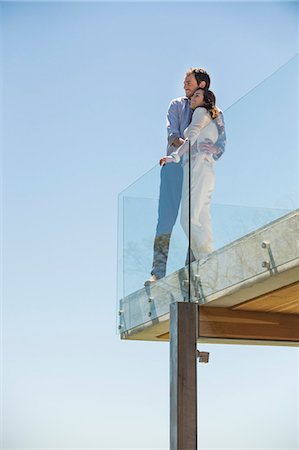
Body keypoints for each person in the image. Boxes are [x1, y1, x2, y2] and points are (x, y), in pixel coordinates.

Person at [146, 68, 226, 284]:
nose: (184, 85)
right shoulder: (177, 105)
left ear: (201, 85)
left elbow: (222, 144)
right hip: (175, 169)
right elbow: (173, 136)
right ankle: (157, 272)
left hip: (197, 170)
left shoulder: (215, 112)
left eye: (188, 81)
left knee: (195, 217)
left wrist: (212, 149)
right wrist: (189, 148)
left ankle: (192, 270)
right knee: (166, 219)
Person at [160, 88, 220, 261]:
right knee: (203, 218)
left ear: (206, 100)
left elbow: (191, 138)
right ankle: (209, 257)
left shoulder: (200, 112)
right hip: (206, 170)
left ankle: (206, 259)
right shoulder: (209, 117)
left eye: (197, 95)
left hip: (198, 169)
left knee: (187, 219)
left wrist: (174, 156)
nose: (192, 97)